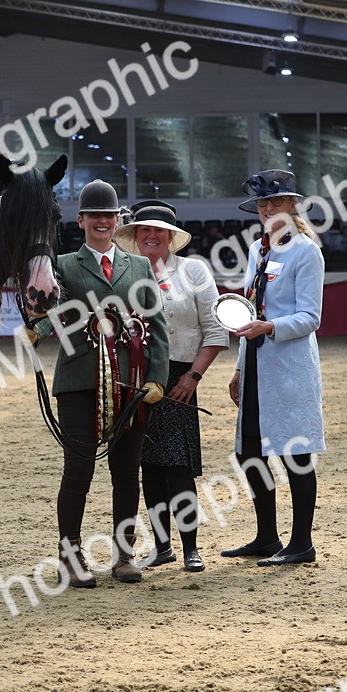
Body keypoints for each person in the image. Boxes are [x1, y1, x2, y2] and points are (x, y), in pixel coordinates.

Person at [40, 180, 169, 588]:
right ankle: (71, 557)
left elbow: (158, 328)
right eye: (94, 215)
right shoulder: (61, 265)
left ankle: (123, 554)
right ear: (80, 221)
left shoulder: (141, 266)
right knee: (77, 470)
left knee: (126, 471)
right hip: (79, 381)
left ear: (118, 221)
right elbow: (51, 315)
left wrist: (157, 379)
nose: (102, 221)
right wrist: (37, 327)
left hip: (130, 384)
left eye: (109, 215)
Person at [112, 201, 229, 572]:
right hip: (136, 377)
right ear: (134, 236)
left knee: (177, 466)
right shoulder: (124, 272)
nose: (150, 236)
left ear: (170, 238)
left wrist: (192, 377)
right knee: (147, 466)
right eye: (143, 231)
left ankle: (190, 546)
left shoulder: (193, 270)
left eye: (157, 231)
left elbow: (215, 329)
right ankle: (162, 547)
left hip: (180, 376)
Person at [220, 169, 325, 566]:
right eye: (263, 203)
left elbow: (311, 316)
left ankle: (302, 543)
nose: (267, 209)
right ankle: (266, 536)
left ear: (291, 205)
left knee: (295, 453)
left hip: (289, 365)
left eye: (275, 202)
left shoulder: (305, 251)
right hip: (256, 364)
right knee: (250, 452)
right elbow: (250, 309)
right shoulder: (258, 250)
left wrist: (271, 327)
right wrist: (239, 369)